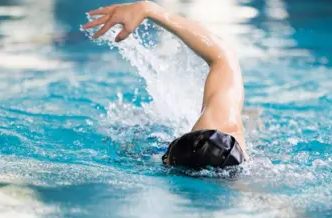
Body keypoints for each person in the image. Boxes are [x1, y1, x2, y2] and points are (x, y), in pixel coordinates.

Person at [83, 1, 247, 169]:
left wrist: (151, 10)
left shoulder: (221, 127)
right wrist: (148, 9)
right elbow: (223, 56)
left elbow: (223, 56)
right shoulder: (225, 125)